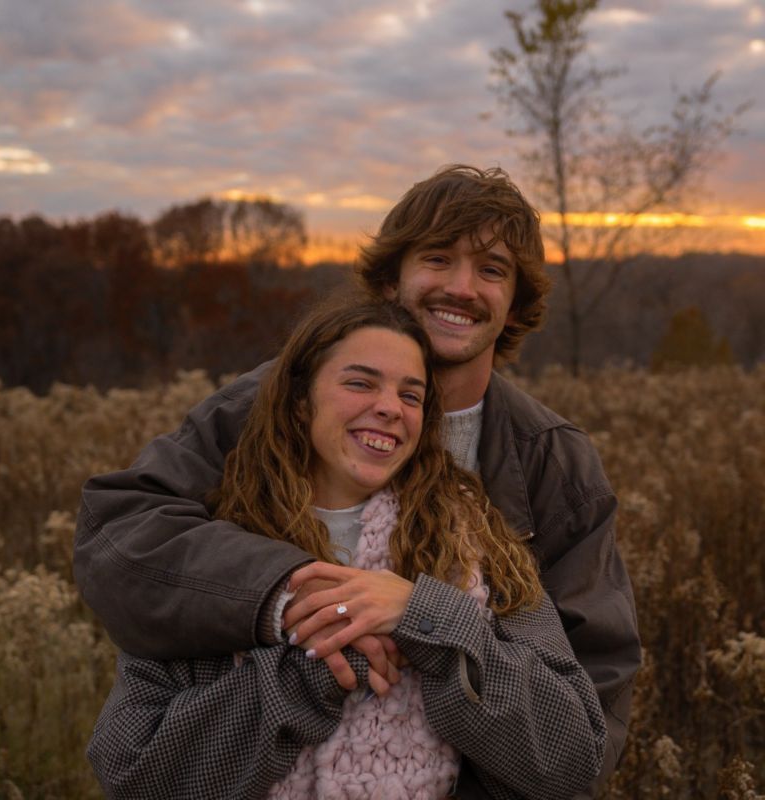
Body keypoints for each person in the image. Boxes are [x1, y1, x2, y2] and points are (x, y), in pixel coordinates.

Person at [74, 164, 641, 797]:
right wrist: (297, 599)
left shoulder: (551, 468)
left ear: (515, 302)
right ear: (392, 278)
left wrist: (428, 621)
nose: (461, 287)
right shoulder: (262, 407)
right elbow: (123, 536)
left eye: (491, 270)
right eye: (437, 258)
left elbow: (586, 720)